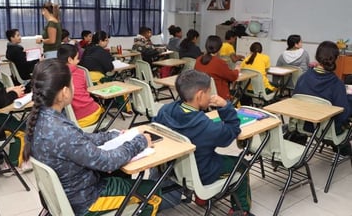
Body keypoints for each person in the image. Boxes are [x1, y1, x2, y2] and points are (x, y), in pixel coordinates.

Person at [23, 59, 161, 216]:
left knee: (122, 173)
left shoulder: (39, 118)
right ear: (64, 92)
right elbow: (107, 162)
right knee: (153, 193)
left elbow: (80, 139)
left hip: (67, 194)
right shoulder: (61, 129)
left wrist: (112, 135)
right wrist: (139, 141)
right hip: (86, 199)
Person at [153, 70, 253, 216]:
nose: (211, 95)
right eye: (209, 92)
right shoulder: (206, 127)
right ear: (200, 95)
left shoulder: (165, 110)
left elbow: (154, 127)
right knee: (242, 165)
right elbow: (232, 131)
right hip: (203, 173)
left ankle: (202, 198)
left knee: (210, 153)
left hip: (171, 169)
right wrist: (225, 106)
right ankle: (241, 210)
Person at [293, 41, 352, 150]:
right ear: (336, 59)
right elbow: (342, 115)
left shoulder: (303, 78)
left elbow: (294, 102)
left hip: (305, 125)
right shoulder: (337, 84)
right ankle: (343, 150)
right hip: (328, 130)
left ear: (317, 56)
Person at [57, 44, 103, 128]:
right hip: (87, 114)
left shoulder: (54, 74)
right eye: (77, 58)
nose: (78, 61)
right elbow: (86, 91)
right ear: (70, 59)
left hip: (72, 115)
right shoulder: (81, 71)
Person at [195, 35, 240, 100]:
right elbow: (232, 77)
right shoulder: (219, 63)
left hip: (202, 96)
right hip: (219, 97)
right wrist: (237, 70)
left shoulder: (198, 59)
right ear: (219, 48)